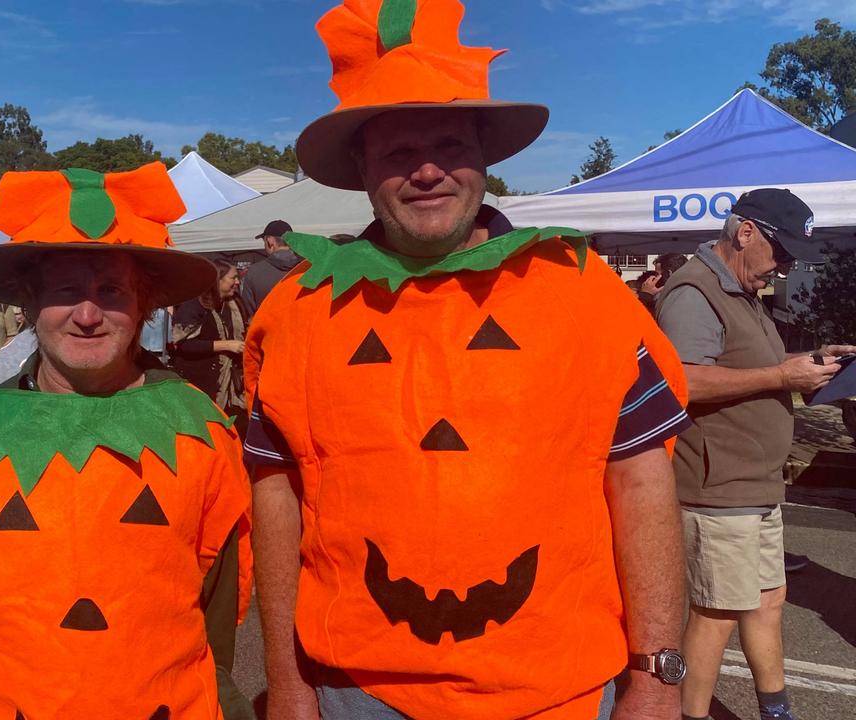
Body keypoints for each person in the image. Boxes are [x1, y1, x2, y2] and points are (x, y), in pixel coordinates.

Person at [244, 2, 693, 718]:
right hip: (358, 691)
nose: (426, 171)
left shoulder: (583, 293)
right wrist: (288, 682)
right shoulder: (299, 311)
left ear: (484, 154)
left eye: (448, 144)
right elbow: (277, 500)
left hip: (562, 690)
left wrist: (659, 678)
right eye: (396, 153)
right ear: (362, 169)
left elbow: (641, 483)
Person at [0, 162, 253, 719]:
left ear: (143, 305)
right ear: (30, 303)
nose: (88, 315)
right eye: (67, 291)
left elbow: (217, 609)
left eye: (110, 291)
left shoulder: (200, 432)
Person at [654, 189, 856, 720]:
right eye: (781, 252)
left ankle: (776, 711)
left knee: (767, 602)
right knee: (716, 614)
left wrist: (808, 360)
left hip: (756, 483)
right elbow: (686, 380)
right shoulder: (693, 291)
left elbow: (747, 361)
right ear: (746, 233)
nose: (784, 267)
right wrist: (781, 376)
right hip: (719, 486)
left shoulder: (741, 289)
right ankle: (689, 715)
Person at [172, 260, 249, 435]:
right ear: (218, 280)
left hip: (232, 382)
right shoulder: (193, 305)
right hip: (202, 380)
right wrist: (227, 345)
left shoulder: (235, 303)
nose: (237, 282)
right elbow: (184, 345)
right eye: (233, 278)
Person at [240, 219, 299, 317]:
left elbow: (248, 314)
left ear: (270, 241)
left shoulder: (254, 272)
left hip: (268, 331)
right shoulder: (307, 269)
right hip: (302, 330)